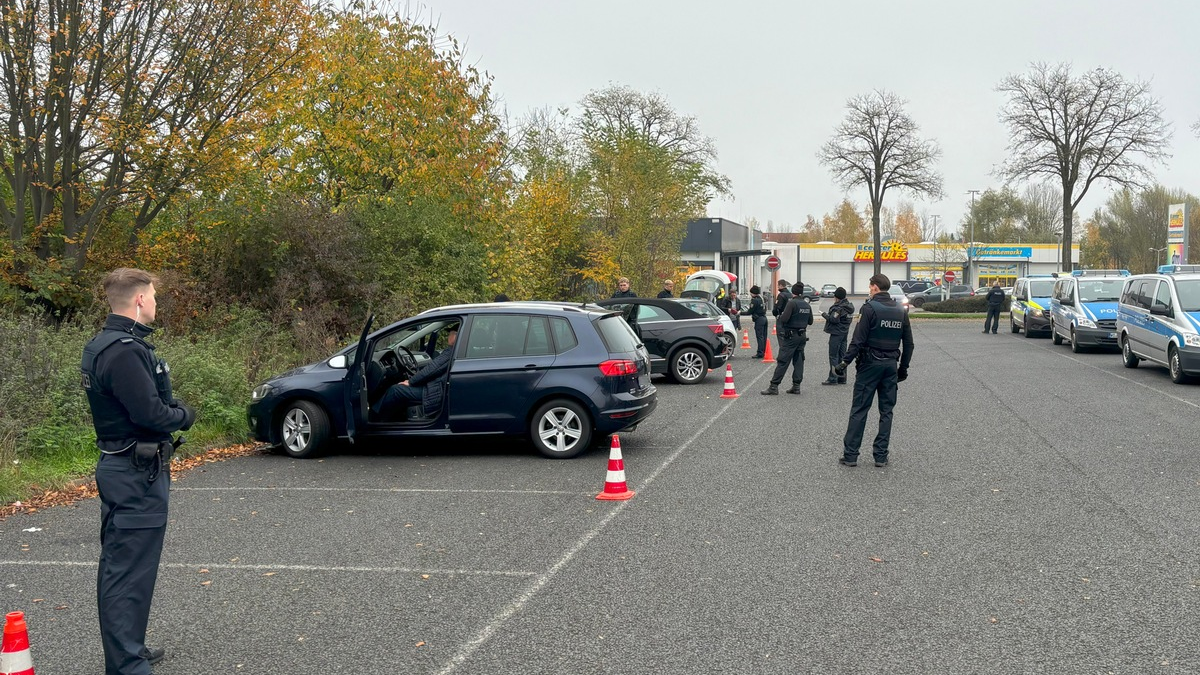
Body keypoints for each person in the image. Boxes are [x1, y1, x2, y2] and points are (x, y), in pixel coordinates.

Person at [81, 268, 195, 675]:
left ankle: (130, 650)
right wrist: (184, 415)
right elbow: (150, 414)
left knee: (130, 565)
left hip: (127, 467)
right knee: (126, 570)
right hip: (134, 471)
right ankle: (127, 664)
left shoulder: (104, 345)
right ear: (140, 300)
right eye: (153, 296)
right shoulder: (125, 351)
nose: (156, 304)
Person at [833, 274, 914, 468]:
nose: (869, 289)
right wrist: (903, 368)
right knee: (886, 411)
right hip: (890, 366)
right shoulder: (900, 310)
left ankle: (851, 455)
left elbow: (858, 340)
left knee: (860, 409)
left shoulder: (869, 309)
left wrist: (844, 362)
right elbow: (909, 343)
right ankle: (880, 456)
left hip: (870, 365)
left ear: (875, 287)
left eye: (870, 286)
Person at [375, 329, 457, 420]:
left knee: (395, 390)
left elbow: (432, 369)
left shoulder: (451, 352)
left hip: (434, 392)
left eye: (451, 334)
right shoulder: (456, 351)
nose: (448, 336)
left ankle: (374, 418)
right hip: (436, 387)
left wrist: (411, 382)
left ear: (455, 337)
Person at [762, 282, 813, 395]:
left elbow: (784, 319)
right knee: (799, 360)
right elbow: (810, 321)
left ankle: (774, 386)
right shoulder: (806, 305)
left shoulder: (792, 303)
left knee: (783, 360)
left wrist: (781, 317)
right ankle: (796, 386)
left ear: (793, 291)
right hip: (802, 335)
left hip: (791, 335)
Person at [820, 287, 855, 385]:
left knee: (833, 356)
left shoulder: (838, 308)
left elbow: (834, 320)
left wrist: (824, 315)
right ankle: (842, 377)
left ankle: (833, 378)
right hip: (844, 333)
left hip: (836, 333)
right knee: (842, 355)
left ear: (837, 297)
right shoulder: (849, 306)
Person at [740, 285, 768, 358]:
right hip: (764, 318)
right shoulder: (762, 298)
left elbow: (750, 311)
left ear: (753, 293)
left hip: (759, 320)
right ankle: (764, 351)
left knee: (759, 336)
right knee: (764, 336)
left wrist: (740, 313)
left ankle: (760, 353)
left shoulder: (754, 300)